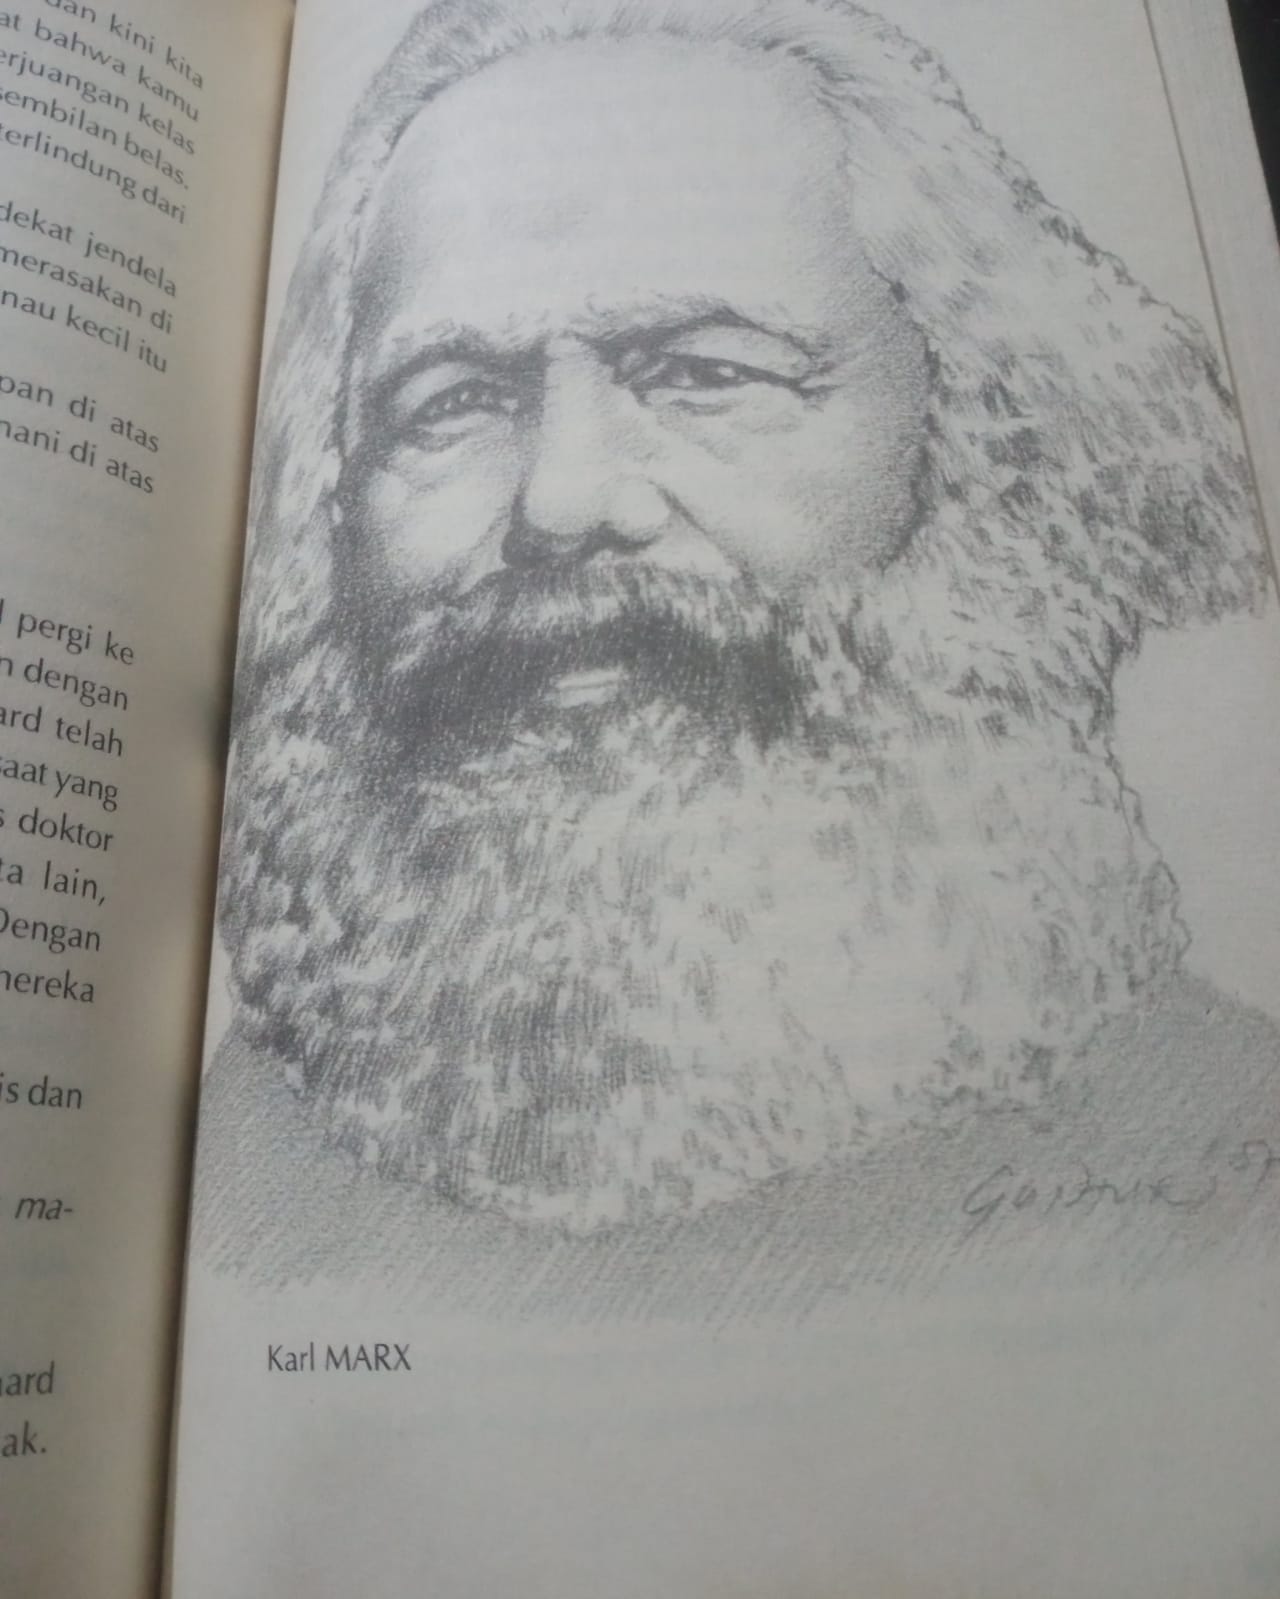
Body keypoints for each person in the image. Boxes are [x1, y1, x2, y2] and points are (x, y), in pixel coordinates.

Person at [194, 0, 1279, 1303]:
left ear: (976, 438)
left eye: (707, 373)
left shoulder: (1227, 1160)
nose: (566, 500)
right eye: (455, 403)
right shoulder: (220, 1196)